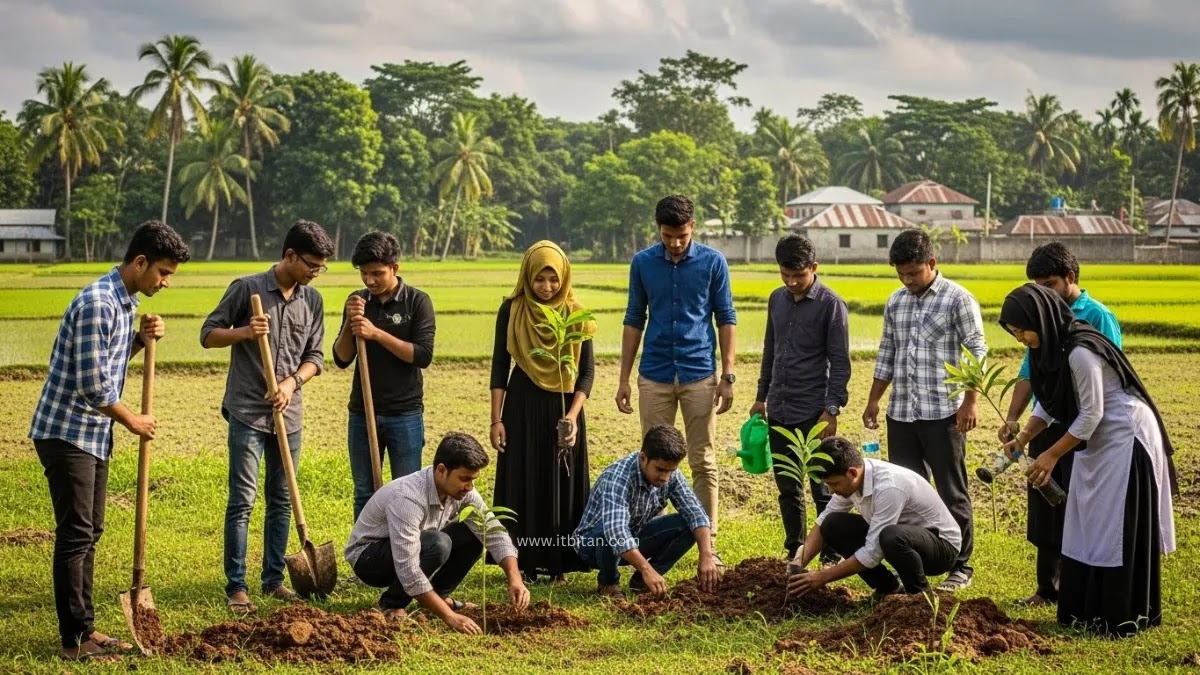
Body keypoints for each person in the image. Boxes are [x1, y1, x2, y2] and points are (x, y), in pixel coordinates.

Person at [29, 221, 190, 662]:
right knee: (77, 533)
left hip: (92, 433)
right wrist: (133, 421)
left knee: (90, 531)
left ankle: (86, 629)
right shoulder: (98, 303)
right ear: (139, 262)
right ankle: (73, 641)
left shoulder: (126, 302)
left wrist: (140, 339)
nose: (166, 282)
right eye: (162, 272)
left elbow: (109, 362)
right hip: (66, 431)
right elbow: (93, 386)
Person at [999, 284, 1175, 637]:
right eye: (1014, 333)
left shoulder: (1079, 350)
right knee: (1086, 522)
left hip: (1125, 437)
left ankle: (1120, 614)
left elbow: (1092, 413)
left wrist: (1050, 454)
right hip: (1093, 439)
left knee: (1114, 525)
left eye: (1022, 330)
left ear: (1041, 319)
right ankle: (1084, 609)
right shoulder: (1047, 348)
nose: (1020, 338)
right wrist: (1024, 436)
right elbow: (1051, 401)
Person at [200, 220, 333, 614]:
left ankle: (273, 579)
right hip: (247, 410)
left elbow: (316, 358)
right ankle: (236, 585)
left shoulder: (312, 301)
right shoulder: (247, 289)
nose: (314, 272)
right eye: (311, 264)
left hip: (288, 414)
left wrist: (292, 383)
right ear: (289, 255)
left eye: (321, 268)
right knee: (243, 499)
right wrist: (243, 331)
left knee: (281, 498)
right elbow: (207, 335)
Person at [997, 241, 1123, 607]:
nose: (1042, 293)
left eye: (1049, 284)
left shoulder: (1095, 319)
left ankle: (1076, 585)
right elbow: (1031, 372)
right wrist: (1015, 419)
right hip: (1047, 418)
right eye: (1036, 286)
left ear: (1071, 277)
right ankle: (1046, 588)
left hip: (1084, 425)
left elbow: (1099, 388)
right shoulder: (1036, 319)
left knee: (1079, 505)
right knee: (1046, 505)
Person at [862, 229, 985, 591]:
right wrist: (874, 399)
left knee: (951, 490)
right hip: (901, 413)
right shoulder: (896, 301)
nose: (907, 280)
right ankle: (913, 559)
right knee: (906, 492)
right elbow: (888, 353)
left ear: (932, 263)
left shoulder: (957, 299)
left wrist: (971, 401)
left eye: (914, 273)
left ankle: (960, 565)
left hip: (943, 413)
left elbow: (976, 350)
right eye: (901, 273)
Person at [616, 194, 737, 563]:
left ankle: (707, 542)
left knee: (703, 460)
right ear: (659, 229)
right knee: (653, 462)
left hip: (699, 372)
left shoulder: (713, 262)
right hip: (653, 375)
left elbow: (725, 317)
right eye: (668, 235)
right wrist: (623, 378)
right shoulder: (642, 263)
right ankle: (648, 540)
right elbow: (634, 317)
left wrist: (728, 373)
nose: (675, 243)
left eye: (681, 235)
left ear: (693, 228)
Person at [344, 432, 530, 634]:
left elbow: (492, 531)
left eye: (473, 479)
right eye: (465, 479)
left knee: (473, 534)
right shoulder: (408, 498)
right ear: (442, 470)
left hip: (413, 546)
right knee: (438, 543)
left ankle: (438, 598)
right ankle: (393, 604)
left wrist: (514, 577)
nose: (470, 487)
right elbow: (408, 569)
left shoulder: (463, 491)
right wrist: (450, 617)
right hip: (369, 558)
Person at [490, 241, 595, 583]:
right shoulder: (512, 310)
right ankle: (523, 561)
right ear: (527, 277)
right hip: (521, 408)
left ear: (563, 277)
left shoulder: (575, 313)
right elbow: (499, 368)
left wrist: (574, 416)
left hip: (562, 410)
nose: (546, 287)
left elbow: (586, 373)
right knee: (524, 478)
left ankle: (559, 563)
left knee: (560, 482)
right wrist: (497, 419)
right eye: (539, 279)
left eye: (553, 279)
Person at [751, 234, 850, 564]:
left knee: (823, 487)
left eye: (799, 275)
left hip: (813, 412)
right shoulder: (776, 299)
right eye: (785, 274)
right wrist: (760, 396)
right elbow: (770, 350)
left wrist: (831, 409)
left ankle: (830, 552)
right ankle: (794, 547)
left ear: (814, 268)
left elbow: (840, 361)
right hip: (779, 407)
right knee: (788, 487)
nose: (792, 282)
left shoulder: (830, 304)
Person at [333, 232, 436, 521]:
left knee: (408, 491)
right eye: (364, 274)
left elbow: (422, 355)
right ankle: (367, 559)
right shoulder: (357, 301)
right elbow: (342, 358)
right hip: (363, 412)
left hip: (405, 413)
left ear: (395, 268)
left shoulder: (417, 302)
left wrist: (376, 333)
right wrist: (350, 325)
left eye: (377, 273)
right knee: (364, 492)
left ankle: (405, 556)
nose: (369, 281)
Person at [787, 437, 962, 600]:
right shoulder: (851, 479)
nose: (831, 490)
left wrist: (822, 577)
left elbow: (872, 553)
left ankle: (919, 598)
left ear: (852, 473)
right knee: (832, 524)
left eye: (834, 484)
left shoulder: (888, 487)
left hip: (941, 548)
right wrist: (799, 563)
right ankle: (888, 589)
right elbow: (824, 520)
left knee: (891, 536)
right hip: (903, 539)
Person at [573, 424, 719, 597]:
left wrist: (706, 555)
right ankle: (608, 582)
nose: (665, 477)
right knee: (609, 531)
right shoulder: (618, 477)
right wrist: (645, 568)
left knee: (688, 525)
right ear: (643, 458)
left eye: (670, 471)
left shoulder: (671, 476)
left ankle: (641, 582)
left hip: (633, 535)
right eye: (660, 470)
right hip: (593, 544)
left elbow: (696, 514)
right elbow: (617, 532)